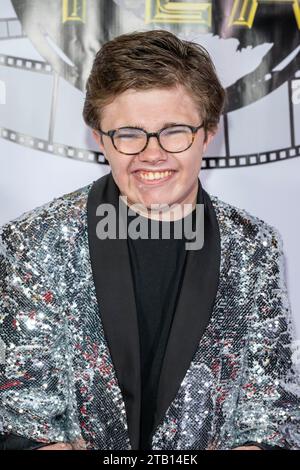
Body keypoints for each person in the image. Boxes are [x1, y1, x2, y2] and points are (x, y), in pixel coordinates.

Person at [0, 29, 300, 451]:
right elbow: (19, 415)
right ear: (99, 138)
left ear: (208, 132)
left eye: (174, 131)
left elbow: (273, 417)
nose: (151, 154)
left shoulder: (255, 246)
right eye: (128, 134)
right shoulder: (32, 240)